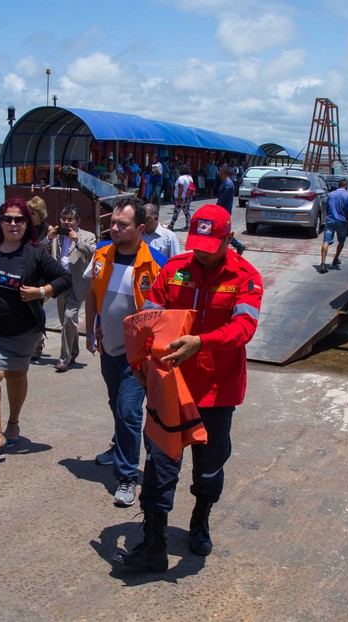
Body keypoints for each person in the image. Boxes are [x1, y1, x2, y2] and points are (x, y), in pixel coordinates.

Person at [114, 204, 263, 572]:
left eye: (210, 244)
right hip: (170, 386)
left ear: (228, 238)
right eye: (197, 243)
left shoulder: (246, 277)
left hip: (217, 390)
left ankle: (201, 518)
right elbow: (146, 320)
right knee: (161, 463)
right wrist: (140, 364)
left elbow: (244, 328)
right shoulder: (174, 270)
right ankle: (154, 542)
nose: (200, 251)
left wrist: (202, 342)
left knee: (209, 466)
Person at [0, 197, 71, 459]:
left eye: (19, 219)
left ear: (28, 223)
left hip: (24, 330)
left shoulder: (35, 254)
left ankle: (13, 423)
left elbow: (65, 278)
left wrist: (41, 291)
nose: (13, 224)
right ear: (0, 222)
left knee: (16, 375)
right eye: (8, 219)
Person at [85, 198, 167, 507]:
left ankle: (128, 477)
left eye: (122, 224)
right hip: (109, 347)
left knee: (128, 410)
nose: (114, 228)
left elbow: (167, 310)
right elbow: (93, 294)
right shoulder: (102, 254)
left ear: (140, 228)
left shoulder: (157, 261)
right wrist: (91, 331)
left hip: (140, 354)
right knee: (116, 404)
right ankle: (123, 445)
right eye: (113, 222)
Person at [45, 204, 96, 373]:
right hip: (60, 284)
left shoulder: (87, 236)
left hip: (77, 284)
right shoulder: (56, 236)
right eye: (64, 219)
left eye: (70, 219)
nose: (67, 223)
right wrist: (49, 238)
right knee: (66, 322)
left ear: (78, 221)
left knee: (68, 318)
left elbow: (93, 253)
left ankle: (64, 358)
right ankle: (73, 352)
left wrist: (77, 241)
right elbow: (39, 251)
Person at [26, 196, 51, 362]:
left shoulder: (47, 229)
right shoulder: (24, 226)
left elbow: (43, 251)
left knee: (37, 309)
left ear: (40, 214)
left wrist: (49, 238)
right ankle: (27, 343)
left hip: (39, 276)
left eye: (33, 212)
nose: (29, 214)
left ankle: (38, 343)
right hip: (25, 272)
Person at [318, 178, 348, 274]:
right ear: (346, 186)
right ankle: (336, 258)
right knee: (341, 241)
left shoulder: (331, 194)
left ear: (339, 185)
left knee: (326, 241)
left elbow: (327, 208)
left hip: (330, 220)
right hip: (342, 221)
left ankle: (323, 263)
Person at [216, 166, 247, 255]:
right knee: (222, 230)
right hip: (223, 210)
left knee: (223, 230)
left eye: (221, 173)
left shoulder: (228, 184)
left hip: (224, 210)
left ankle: (237, 245)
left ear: (224, 173)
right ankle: (235, 245)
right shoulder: (225, 183)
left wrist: (216, 207)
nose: (219, 175)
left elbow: (222, 199)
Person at [169, 165, 195, 230]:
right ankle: (188, 225)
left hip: (181, 197)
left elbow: (180, 190)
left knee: (176, 212)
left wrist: (179, 199)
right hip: (188, 197)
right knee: (187, 211)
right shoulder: (190, 178)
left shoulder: (181, 178)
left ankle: (171, 225)